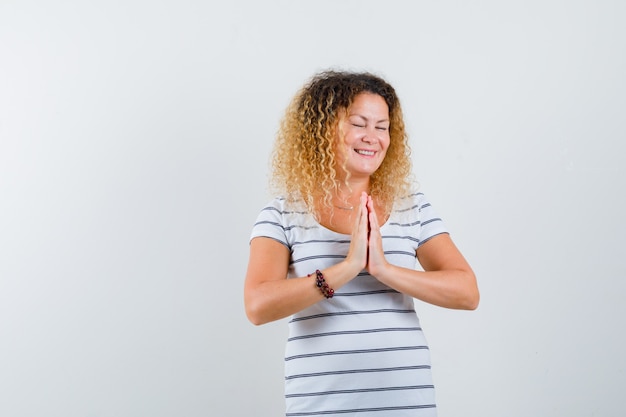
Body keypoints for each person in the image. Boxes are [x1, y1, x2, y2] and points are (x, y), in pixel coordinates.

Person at [244, 70, 479, 417]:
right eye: (359, 123)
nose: (372, 137)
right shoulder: (282, 213)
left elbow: (467, 292)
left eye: (381, 126)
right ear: (323, 129)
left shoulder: (411, 206)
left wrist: (383, 269)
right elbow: (258, 305)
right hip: (320, 405)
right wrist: (346, 269)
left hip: (407, 404)